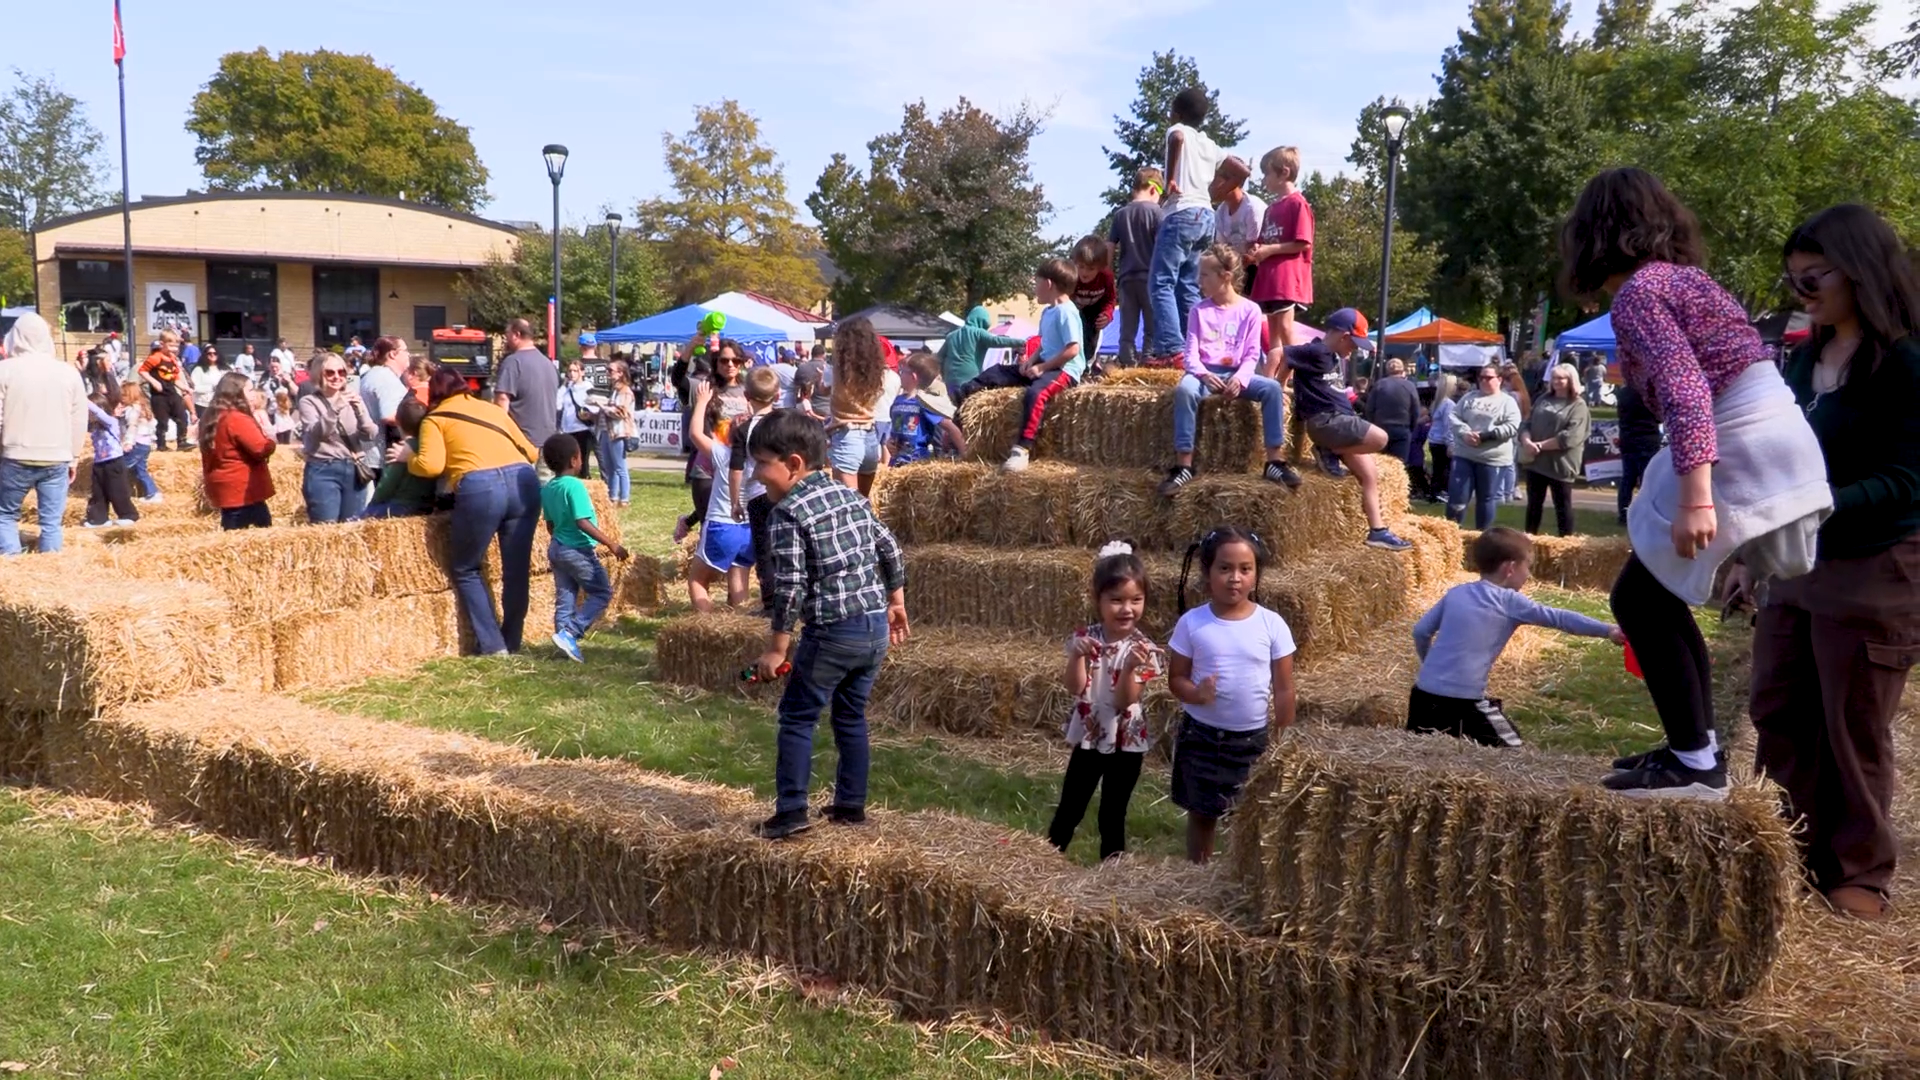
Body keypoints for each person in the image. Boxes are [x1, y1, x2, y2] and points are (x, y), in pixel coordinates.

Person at [1561, 167, 1830, 800]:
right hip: (1774, 431)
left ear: (1593, 233)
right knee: (1651, 596)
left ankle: (1695, 762)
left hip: (1740, 436)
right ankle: (1696, 750)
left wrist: (1696, 497)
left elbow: (1686, 390)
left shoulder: (1640, 292)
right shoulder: (1685, 279)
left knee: (1639, 600)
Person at [1738, 204, 1920, 918]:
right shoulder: (1803, 359)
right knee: (1778, 708)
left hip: (1877, 564)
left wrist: (1814, 504)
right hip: (1798, 558)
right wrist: (1753, 548)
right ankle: (1781, 853)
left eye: (1814, 278)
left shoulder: (1906, 363)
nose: (1801, 292)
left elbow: (1907, 480)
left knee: (1852, 723)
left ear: (1861, 271)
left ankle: (1860, 872)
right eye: (1794, 280)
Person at [748, 409, 910, 840]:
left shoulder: (787, 514)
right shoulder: (851, 496)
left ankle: (791, 812)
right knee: (851, 715)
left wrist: (777, 649)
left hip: (833, 631)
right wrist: (896, 601)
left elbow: (790, 587)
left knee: (798, 717)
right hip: (874, 628)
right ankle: (850, 805)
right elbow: (890, 548)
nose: (758, 474)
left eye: (762, 463)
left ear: (794, 463)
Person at [1411, 527, 1624, 746]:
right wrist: (1607, 630)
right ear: (1510, 568)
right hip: (1464, 702)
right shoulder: (1509, 601)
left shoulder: (1456, 593)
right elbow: (1559, 618)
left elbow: (1420, 631)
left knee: (1421, 747)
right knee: (1513, 750)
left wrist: (1429, 664)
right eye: (1527, 567)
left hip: (1422, 696)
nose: (1529, 575)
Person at [1168, 526, 1296, 863]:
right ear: (1207, 572)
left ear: (1256, 574)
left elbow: (1284, 688)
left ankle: (1240, 873)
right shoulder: (1192, 623)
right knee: (1201, 813)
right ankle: (1199, 872)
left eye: (1245, 569)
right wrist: (1196, 694)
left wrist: (1282, 737)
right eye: (1224, 568)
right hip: (1201, 736)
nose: (1235, 578)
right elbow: (1176, 679)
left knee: (1248, 817)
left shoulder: (1272, 625)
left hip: (1251, 741)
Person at [400, 367, 542, 656]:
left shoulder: (435, 419)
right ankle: (512, 640)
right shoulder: (491, 409)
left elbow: (431, 466)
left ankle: (492, 644)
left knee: (466, 568)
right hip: (523, 481)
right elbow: (531, 452)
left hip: (480, 487)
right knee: (516, 570)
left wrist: (408, 457)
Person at [1046, 542, 1164, 861]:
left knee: (1112, 814)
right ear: (1098, 600)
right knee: (1070, 807)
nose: (1127, 609)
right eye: (1116, 600)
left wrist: (1129, 668)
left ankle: (1112, 876)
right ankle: (1045, 864)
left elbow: (1126, 700)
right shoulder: (1085, 637)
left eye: (1136, 600)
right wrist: (1076, 657)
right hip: (1090, 733)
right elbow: (1076, 687)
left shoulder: (1143, 649)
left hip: (1126, 740)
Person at [1158, 245, 1300, 496]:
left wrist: (1241, 379)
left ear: (1225, 276)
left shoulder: (1251, 310)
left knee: (1272, 388)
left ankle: (1274, 461)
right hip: (1204, 373)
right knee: (1185, 391)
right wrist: (1203, 374)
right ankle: (1184, 465)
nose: (1199, 281)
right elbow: (1190, 355)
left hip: (1238, 371)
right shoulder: (1198, 311)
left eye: (1204, 275)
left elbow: (1252, 354)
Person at [1282, 310, 1414, 551]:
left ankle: (1377, 531)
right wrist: (1276, 386)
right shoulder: (1316, 350)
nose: (1354, 350)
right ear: (1344, 336)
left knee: (1370, 474)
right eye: (1354, 344)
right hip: (1327, 421)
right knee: (1380, 438)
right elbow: (1280, 354)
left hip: (1340, 422)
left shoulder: (1332, 356)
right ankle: (1327, 449)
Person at [960, 260, 1087, 473]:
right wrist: (1030, 360)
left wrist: (1043, 368)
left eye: (1036, 283)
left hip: (1064, 370)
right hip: (1044, 365)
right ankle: (963, 394)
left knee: (1035, 394)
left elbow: (1073, 350)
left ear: (1048, 284)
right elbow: (1044, 343)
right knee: (998, 371)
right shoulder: (1048, 312)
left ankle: (1022, 449)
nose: (1034, 288)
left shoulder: (1067, 312)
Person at [1144, 88, 1224, 367]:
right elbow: (1239, 168)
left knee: (1160, 282)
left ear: (1176, 113)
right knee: (1188, 285)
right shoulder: (1209, 144)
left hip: (1181, 213)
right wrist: (1214, 192)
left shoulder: (1177, 131)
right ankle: (1195, 348)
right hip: (1206, 215)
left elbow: (1177, 137)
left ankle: (1171, 349)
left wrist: (1170, 179)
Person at [0, 314, 88, 555]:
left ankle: (12, 560)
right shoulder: (68, 373)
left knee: (5, 515)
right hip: (57, 457)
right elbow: (79, 419)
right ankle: (51, 562)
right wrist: (74, 457)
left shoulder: (5, 370)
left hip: (14, 455)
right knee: (51, 523)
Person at [539, 433, 631, 663]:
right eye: (581, 456)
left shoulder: (548, 488)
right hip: (577, 550)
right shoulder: (575, 486)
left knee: (565, 598)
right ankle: (571, 633)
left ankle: (563, 646)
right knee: (601, 592)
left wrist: (561, 538)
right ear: (574, 460)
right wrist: (611, 544)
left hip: (557, 548)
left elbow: (550, 525)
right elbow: (582, 521)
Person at [686, 379, 754, 612]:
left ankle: (707, 625)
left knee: (697, 581)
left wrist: (702, 402)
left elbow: (695, 433)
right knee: (739, 583)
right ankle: (740, 625)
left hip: (721, 524)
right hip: (748, 529)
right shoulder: (761, 459)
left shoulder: (722, 454)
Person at [1249, 148, 1315, 377]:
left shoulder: (1298, 204)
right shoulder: (1270, 209)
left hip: (1286, 279)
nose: (1264, 180)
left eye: (1267, 174)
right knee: (1273, 333)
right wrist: (1257, 250)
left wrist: (1269, 250)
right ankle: (1272, 379)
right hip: (1268, 279)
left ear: (1284, 173)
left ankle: (1294, 378)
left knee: (1286, 328)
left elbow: (1303, 242)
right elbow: (1264, 241)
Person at [676, 340, 749, 541]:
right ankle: (692, 525)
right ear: (716, 363)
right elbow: (677, 378)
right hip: (708, 466)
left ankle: (688, 521)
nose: (730, 364)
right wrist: (692, 345)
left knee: (735, 521)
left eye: (736, 360)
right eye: (724, 360)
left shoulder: (748, 390)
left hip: (736, 464)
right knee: (711, 525)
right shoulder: (705, 387)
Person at [297, 352, 379, 523]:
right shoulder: (308, 402)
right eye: (330, 372)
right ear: (319, 374)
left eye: (341, 372)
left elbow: (371, 434)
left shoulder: (354, 397)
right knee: (325, 527)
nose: (337, 377)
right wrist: (336, 407)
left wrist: (360, 411)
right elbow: (318, 434)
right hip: (323, 468)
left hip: (353, 468)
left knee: (351, 527)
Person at [728, 367, 782, 606]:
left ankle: (770, 602)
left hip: (758, 494)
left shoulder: (744, 430)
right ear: (777, 395)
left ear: (746, 396)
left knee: (764, 549)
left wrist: (735, 502)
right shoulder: (785, 423)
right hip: (786, 491)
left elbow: (736, 470)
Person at [1446, 365, 1523, 530]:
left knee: (1486, 498)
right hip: (1465, 455)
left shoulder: (1507, 402)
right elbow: (1454, 416)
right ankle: (1451, 533)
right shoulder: (1469, 397)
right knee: (1458, 496)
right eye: (1481, 377)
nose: (1484, 381)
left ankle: (1483, 535)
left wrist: (1485, 436)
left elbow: (1512, 426)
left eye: (1489, 378)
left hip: (1492, 459)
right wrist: (1465, 433)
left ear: (1499, 380)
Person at [199, 371, 277, 530]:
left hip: (225, 486)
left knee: (232, 531)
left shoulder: (212, 416)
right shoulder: (236, 418)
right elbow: (260, 448)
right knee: (258, 533)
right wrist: (271, 442)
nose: (254, 394)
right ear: (237, 393)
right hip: (243, 489)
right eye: (250, 390)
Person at [1521, 363, 1592, 537]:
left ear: (1571, 380)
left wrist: (1540, 446)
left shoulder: (1578, 405)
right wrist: (1527, 441)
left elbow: (1570, 437)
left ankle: (1566, 542)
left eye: (1561, 378)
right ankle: (1529, 539)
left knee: (1562, 506)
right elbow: (1527, 423)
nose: (1556, 381)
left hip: (1561, 464)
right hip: (1536, 462)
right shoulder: (1543, 398)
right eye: (1554, 378)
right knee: (1533, 505)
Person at [1108, 167, 1165, 366]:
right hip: (1150, 277)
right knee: (1152, 324)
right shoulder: (1157, 213)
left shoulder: (1120, 214)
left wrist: (1109, 273)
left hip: (1126, 278)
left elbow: (1110, 246)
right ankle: (1148, 359)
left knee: (1127, 325)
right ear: (1153, 189)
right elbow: (1161, 244)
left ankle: (1126, 360)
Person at [886, 351, 967, 466]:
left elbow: (951, 428)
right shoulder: (898, 400)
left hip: (917, 462)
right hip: (896, 462)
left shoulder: (925, 402)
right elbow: (895, 428)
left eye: (902, 372)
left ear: (913, 376)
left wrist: (965, 456)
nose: (900, 375)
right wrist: (889, 442)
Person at [361, 397, 437, 520]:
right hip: (426, 506)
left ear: (398, 422)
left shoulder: (400, 450)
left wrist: (371, 506)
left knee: (354, 521)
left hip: (401, 505)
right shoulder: (430, 447)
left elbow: (387, 485)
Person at [492, 318, 559, 452]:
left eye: (508, 335)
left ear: (516, 335)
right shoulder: (548, 363)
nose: (506, 340)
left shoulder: (513, 362)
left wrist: (499, 434)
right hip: (548, 441)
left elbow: (502, 400)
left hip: (522, 441)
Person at [937, 307, 1028, 403]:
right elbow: (997, 340)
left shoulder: (951, 335)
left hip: (950, 380)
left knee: (954, 405)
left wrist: (944, 375)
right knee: (967, 405)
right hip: (969, 379)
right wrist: (1022, 342)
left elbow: (939, 357)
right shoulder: (978, 333)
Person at [81, 392, 139, 528]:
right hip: (99, 463)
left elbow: (100, 414)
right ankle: (98, 518)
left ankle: (128, 515)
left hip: (114, 461)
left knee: (118, 489)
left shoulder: (111, 422)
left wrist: (84, 400)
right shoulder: (94, 428)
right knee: (98, 492)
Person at [357, 336, 412, 476]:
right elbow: (389, 416)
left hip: (372, 453)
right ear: (393, 354)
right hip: (382, 455)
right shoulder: (386, 378)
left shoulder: (374, 374)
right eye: (405, 351)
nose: (408, 355)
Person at [1209, 156, 1264, 293]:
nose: (1211, 185)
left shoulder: (1252, 208)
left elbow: (1253, 252)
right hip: (1238, 268)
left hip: (1257, 269)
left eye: (1215, 179)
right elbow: (1222, 249)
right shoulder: (1221, 212)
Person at [1613, 378, 1661, 526]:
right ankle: (1646, 513)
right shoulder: (1649, 393)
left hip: (1628, 439)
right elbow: (1659, 416)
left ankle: (1623, 513)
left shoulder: (1623, 393)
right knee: (1647, 480)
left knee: (1627, 479)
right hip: (1647, 439)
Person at [1069, 236, 1116, 375]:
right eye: (1081, 267)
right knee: (1072, 335)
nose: (1084, 273)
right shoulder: (1071, 275)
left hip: (1094, 309)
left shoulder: (1106, 277)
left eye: (1090, 269)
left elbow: (1110, 299)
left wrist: (1107, 315)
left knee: (1090, 335)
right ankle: (1069, 366)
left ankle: (1085, 367)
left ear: (1100, 268)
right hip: (1072, 309)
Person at [139, 330, 192, 450]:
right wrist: (154, 381)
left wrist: (185, 388)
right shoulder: (155, 358)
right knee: (162, 421)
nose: (174, 349)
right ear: (162, 344)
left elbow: (175, 378)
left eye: (176, 346)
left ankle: (182, 441)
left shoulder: (173, 360)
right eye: (171, 346)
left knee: (182, 416)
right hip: (159, 396)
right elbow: (142, 371)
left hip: (172, 392)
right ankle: (161, 444)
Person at [1365, 356, 1421, 464]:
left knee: (1380, 463)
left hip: (1381, 428)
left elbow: (1369, 409)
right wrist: (1411, 428)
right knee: (1399, 465)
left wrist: (1374, 424)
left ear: (1387, 370)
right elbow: (1415, 410)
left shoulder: (1379, 384)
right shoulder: (1409, 386)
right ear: (1402, 370)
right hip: (1402, 429)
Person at [595, 360, 636, 507]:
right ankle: (612, 497)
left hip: (619, 432)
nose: (608, 373)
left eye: (610, 370)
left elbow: (621, 412)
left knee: (620, 467)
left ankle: (624, 498)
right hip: (607, 431)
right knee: (609, 467)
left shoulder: (626, 391)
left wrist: (603, 407)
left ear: (620, 373)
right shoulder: (614, 390)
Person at [117, 383, 161, 503]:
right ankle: (153, 493)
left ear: (131, 396)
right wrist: (153, 441)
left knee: (120, 468)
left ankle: (116, 493)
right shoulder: (143, 408)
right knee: (140, 470)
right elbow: (152, 426)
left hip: (136, 444)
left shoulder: (132, 410)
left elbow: (132, 426)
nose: (121, 398)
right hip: (145, 444)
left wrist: (128, 442)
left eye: (124, 395)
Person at [557, 359, 599, 481]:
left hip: (583, 429)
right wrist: (564, 386)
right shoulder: (567, 389)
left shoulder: (587, 387)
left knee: (582, 461)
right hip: (568, 429)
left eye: (575, 371)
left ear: (582, 372)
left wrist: (587, 413)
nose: (572, 374)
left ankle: (584, 482)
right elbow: (557, 405)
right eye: (570, 371)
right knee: (569, 461)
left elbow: (594, 407)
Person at [1497, 364, 1532, 503]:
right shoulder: (1524, 395)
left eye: (1506, 380)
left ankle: (1506, 491)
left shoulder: (1511, 396)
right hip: (1518, 430)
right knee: (1512, 462)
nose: (1504, 383)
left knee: (1506, 462)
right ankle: (1512, 489)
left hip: (1509, 430)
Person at [1426, 374, 1457, 505]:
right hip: (1442, 442)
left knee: (1437, 469)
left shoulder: (1437, 403)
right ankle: (1441, 493)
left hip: (1434, 440)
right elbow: (1448, 425)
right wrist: (1451, 443)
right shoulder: (1449, 405)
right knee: (1445, 469)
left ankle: (1434, 493)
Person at [795, 342, 835, 421]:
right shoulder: (829, 369)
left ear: (812, 354)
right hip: (826, 409)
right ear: (824, 355)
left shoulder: (801, 368)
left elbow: (796, 386)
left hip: (805, 409)